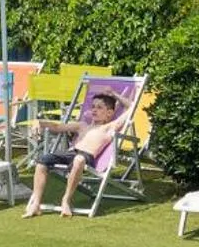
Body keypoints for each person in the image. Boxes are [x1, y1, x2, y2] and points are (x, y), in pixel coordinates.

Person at [24, 88, 131, 218]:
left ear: (109, 113)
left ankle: (66, 200)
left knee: (79, 159)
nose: (94, 110)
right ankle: (36, 204)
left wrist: (114, 94)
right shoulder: (82, 125)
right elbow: (57, 127)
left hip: (86, 156)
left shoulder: (109, 127)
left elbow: (132, 107)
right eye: (93, 107)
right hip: (71, 153)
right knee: (42, 160)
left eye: (99, 107)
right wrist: (39, 122)